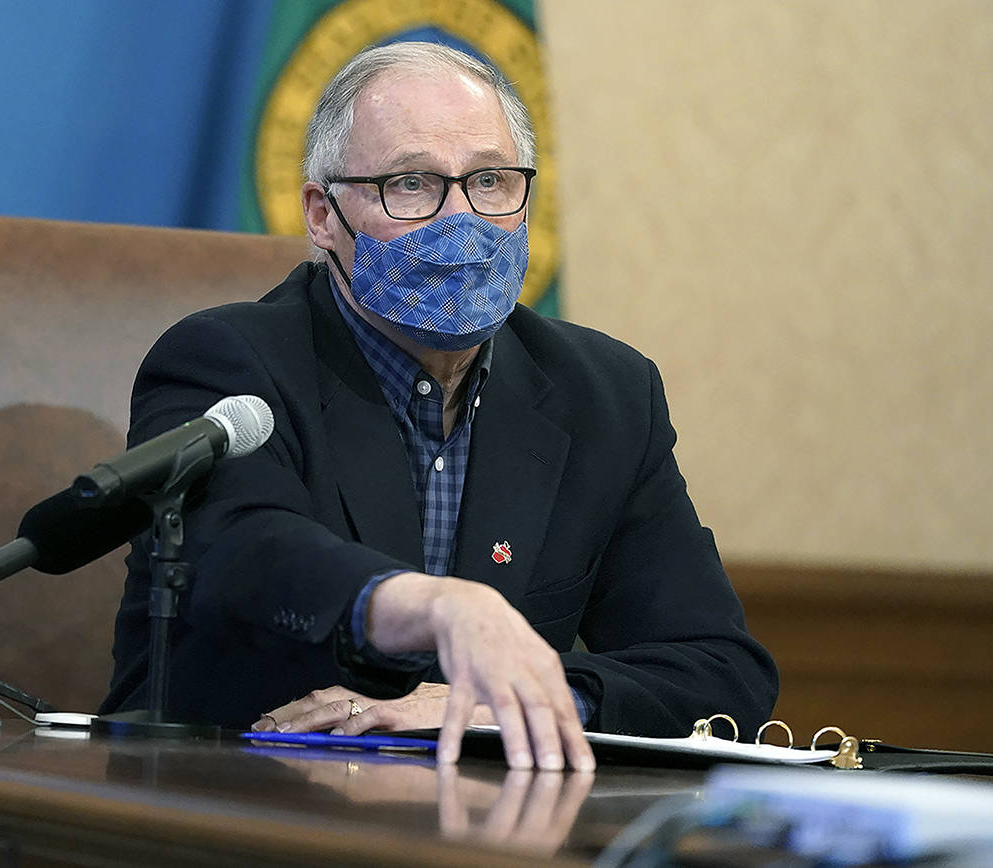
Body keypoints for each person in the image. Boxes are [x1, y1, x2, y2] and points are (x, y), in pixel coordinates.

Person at [100, 41, 778, 770]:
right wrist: (439, 606)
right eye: (413, 185)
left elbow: (718, 671)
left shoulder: (605, 394)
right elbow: (243, 550)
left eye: (490, 181)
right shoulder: (225, 360)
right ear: (323, 215)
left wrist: (490, 703)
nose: (463, 222)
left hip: (487, 824)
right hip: (237, 805)